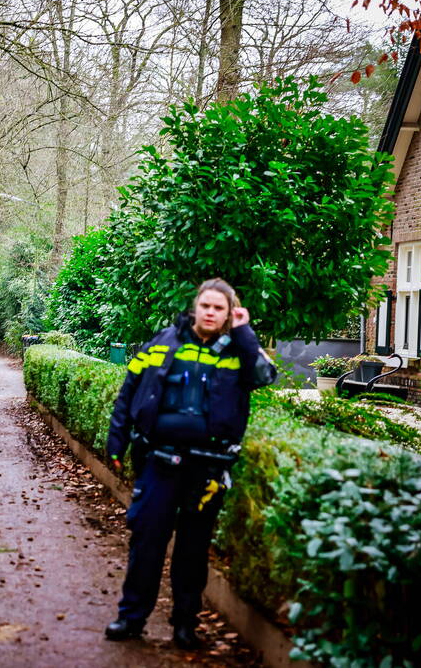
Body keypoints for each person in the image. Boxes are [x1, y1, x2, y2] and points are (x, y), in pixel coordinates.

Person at [103, 278, 276, 649]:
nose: (211, 313)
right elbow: (129, 389)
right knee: (147, 544)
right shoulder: (164, 342)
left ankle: (185, 626)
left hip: (208, 470)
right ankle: (130, 619)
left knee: (193, 552)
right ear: (195, 307)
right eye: (206, 306)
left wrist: (245, 332)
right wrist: (116, 441)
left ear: (230, 313)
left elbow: (264, 376)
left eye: (219, 308)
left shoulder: (239, 349)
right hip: (159, 462)